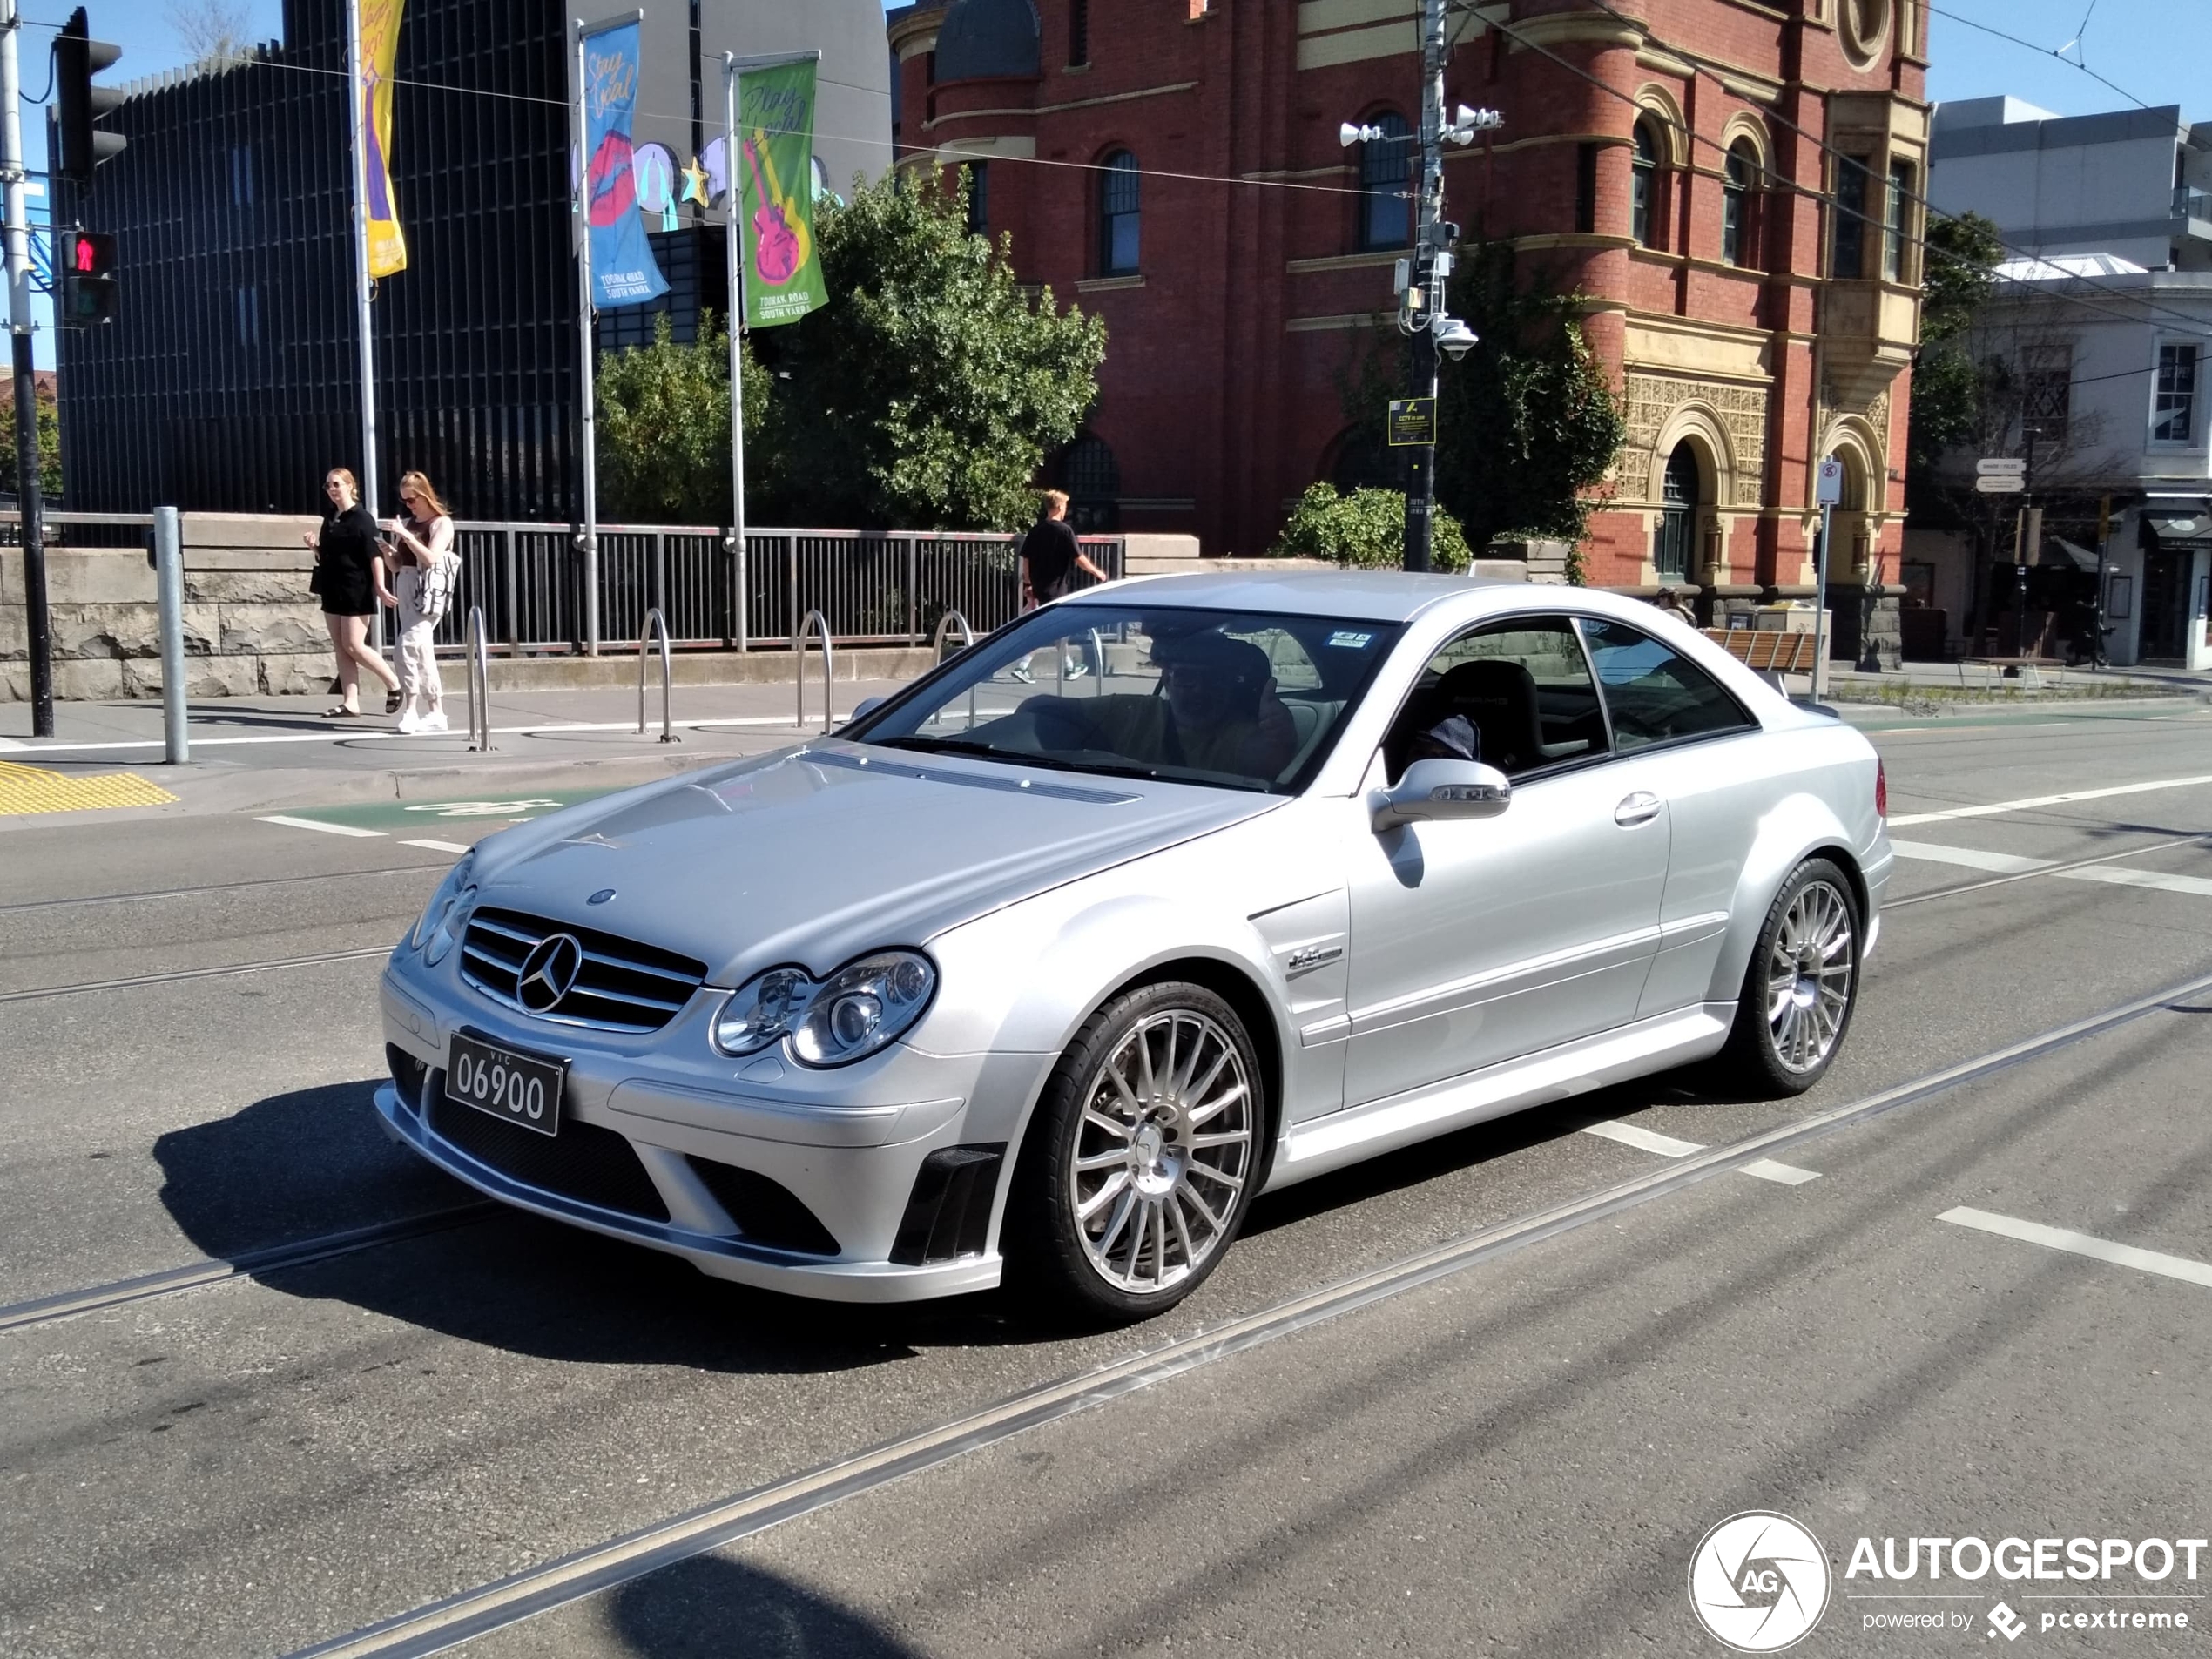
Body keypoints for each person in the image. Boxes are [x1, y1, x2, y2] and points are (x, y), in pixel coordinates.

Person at [303, 467, 402, 717]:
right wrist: (314, 548)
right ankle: (350, 702)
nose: (332, 490)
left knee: (354, 645)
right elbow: (331, 553)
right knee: (340, 646)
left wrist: (380, 586)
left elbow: (375, 554)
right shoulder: (331, 517)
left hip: (355, 587)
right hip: (332, 586)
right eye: (328, 486)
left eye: (336, 484)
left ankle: (393, 683)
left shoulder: (362, 518)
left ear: (350, 486)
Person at [377, 470, 458, 733]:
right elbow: (398, 566)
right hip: (407, 583)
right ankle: (437, 712)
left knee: (406, 646)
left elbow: (432, 558)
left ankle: (411, 709)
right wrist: (389, 551)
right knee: (422, 650)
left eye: (412, 500)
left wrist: (407, 536)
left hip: (428, 589)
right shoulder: (409, 523)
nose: (408, 505)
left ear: (424, 495)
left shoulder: (441, 523)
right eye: (404, 501)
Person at [1011, 489, 1109, 683]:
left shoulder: (1036, 530)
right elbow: (1078, 557)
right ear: (1059, 507)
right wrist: (1097, 572)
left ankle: (1069, 666)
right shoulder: (1064, 531)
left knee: (1056, 630)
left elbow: (1026, 560)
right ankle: (1024, 665)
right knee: (1051, 629)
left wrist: (1029, 584)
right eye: (1065, 506)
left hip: (1039, 586)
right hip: (1056, 588)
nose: (1066, 509)